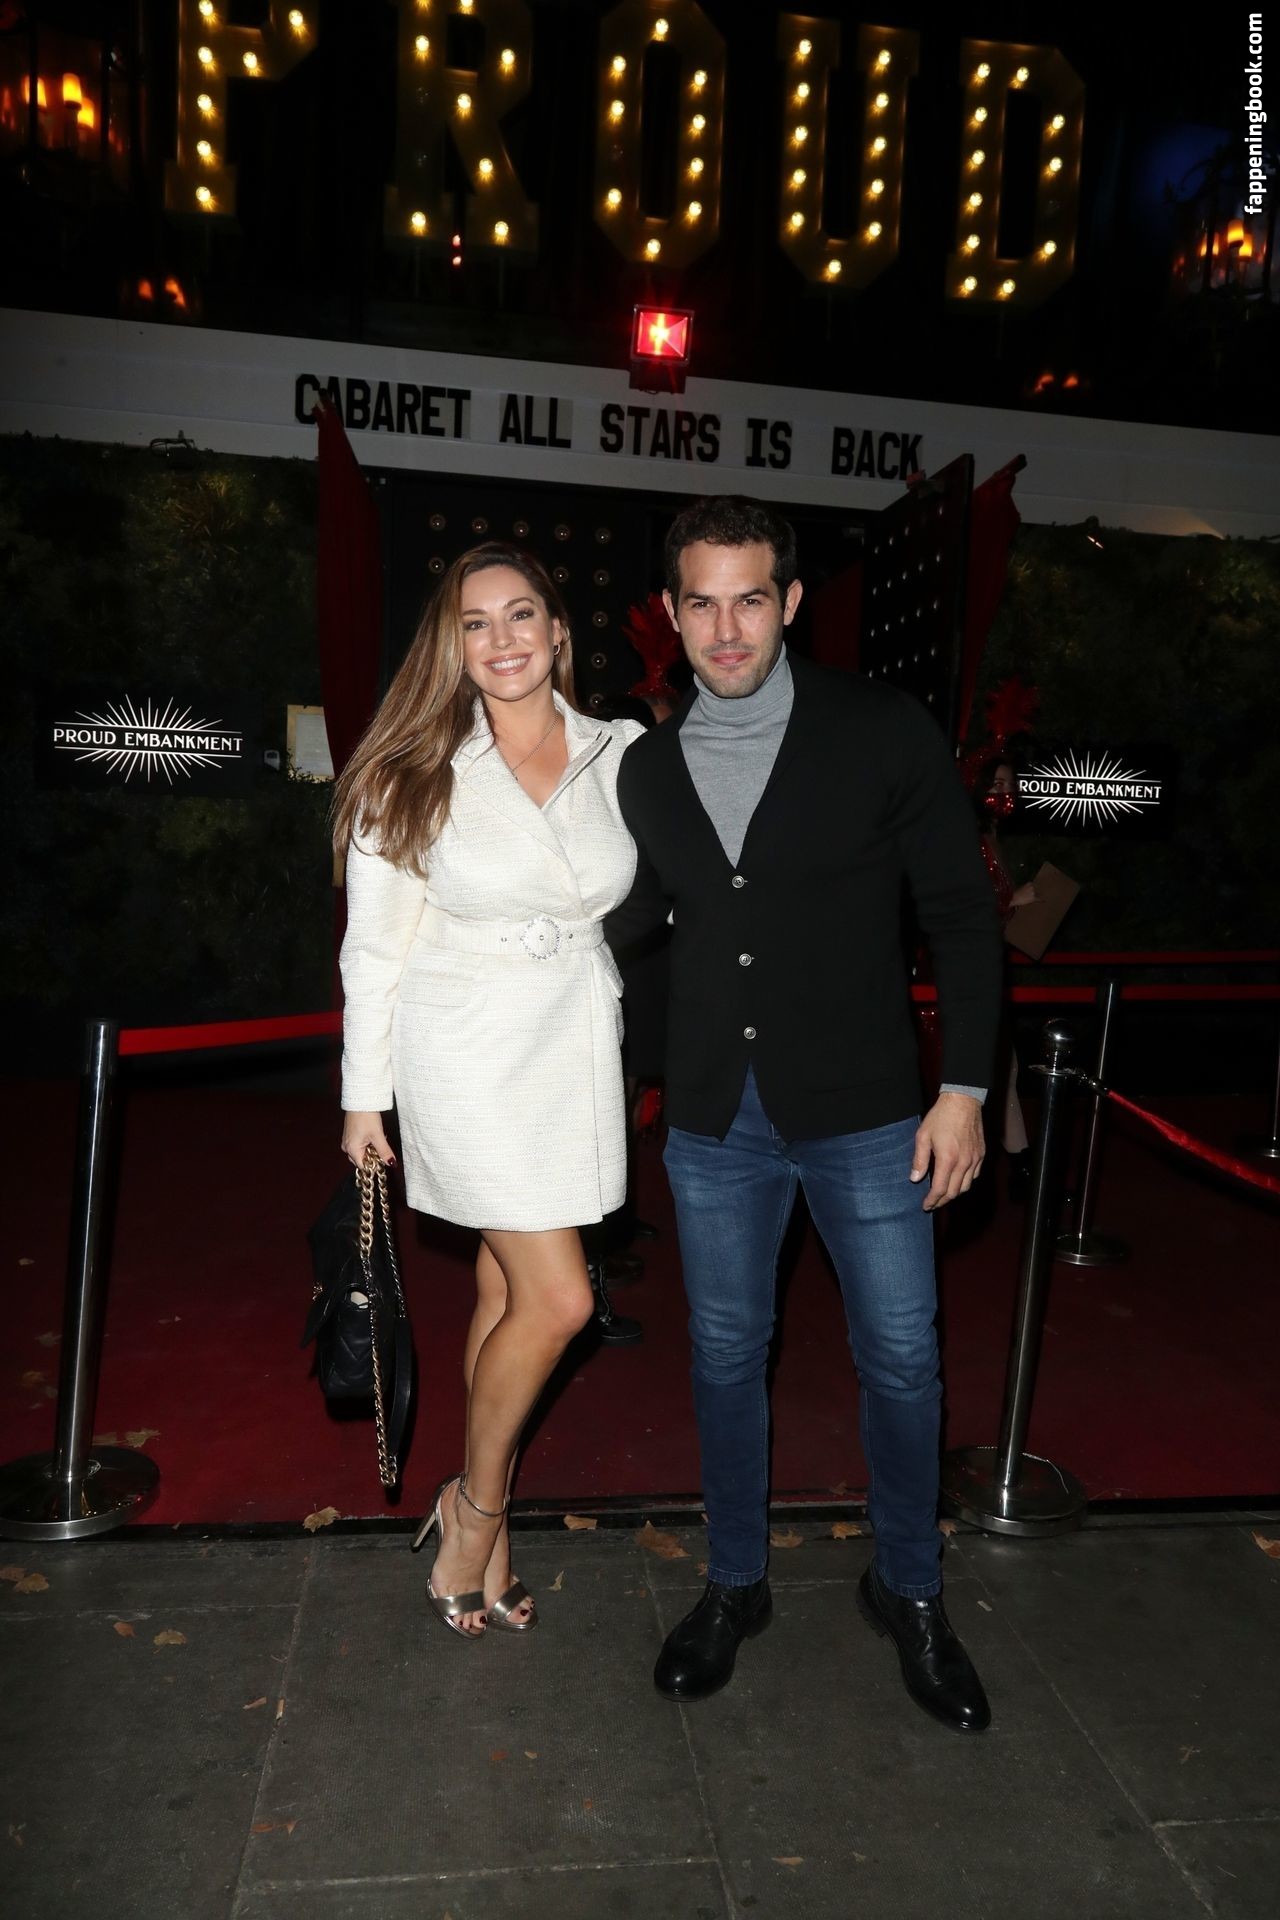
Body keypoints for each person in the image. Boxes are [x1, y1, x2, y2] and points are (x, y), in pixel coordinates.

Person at [606, 496, 1003, 1730]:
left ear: (787, 603)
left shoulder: (878, 729)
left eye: (749, 599)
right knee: (725, 1354)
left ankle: (910, 1588)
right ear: (670, 614)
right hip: (713, 1119)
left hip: (869, 1111)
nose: (726, 629)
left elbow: (962, 917)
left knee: (901, 1358)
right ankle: (735, 1581)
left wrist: (963, 1089)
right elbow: (622, 926)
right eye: (701, 602)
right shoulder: (645, 768)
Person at [333, 542, 645, 1640]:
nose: (502, 639)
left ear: (558, 632)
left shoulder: (622, 752)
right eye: (476, 623)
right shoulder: (411, 771)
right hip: (463, 1050)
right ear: (452, 647)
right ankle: (476, 1507)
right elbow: (372, 951)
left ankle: (485, 1526)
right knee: (561, 1301)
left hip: (572, 1047)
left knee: (506, 1294)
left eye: (522, 616)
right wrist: (363, 1098)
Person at [974, 755, 1038, 1195]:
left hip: (992, 967)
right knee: (992, 1069)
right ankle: (1016, 1171)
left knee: (1006, 1068)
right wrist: (1014, 900)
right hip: (964, 975)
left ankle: (1022, 1169)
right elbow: (963, 906)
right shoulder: (969, 837)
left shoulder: (992, 835)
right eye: (997, 784)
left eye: (1010, 785)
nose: (1005, 794)